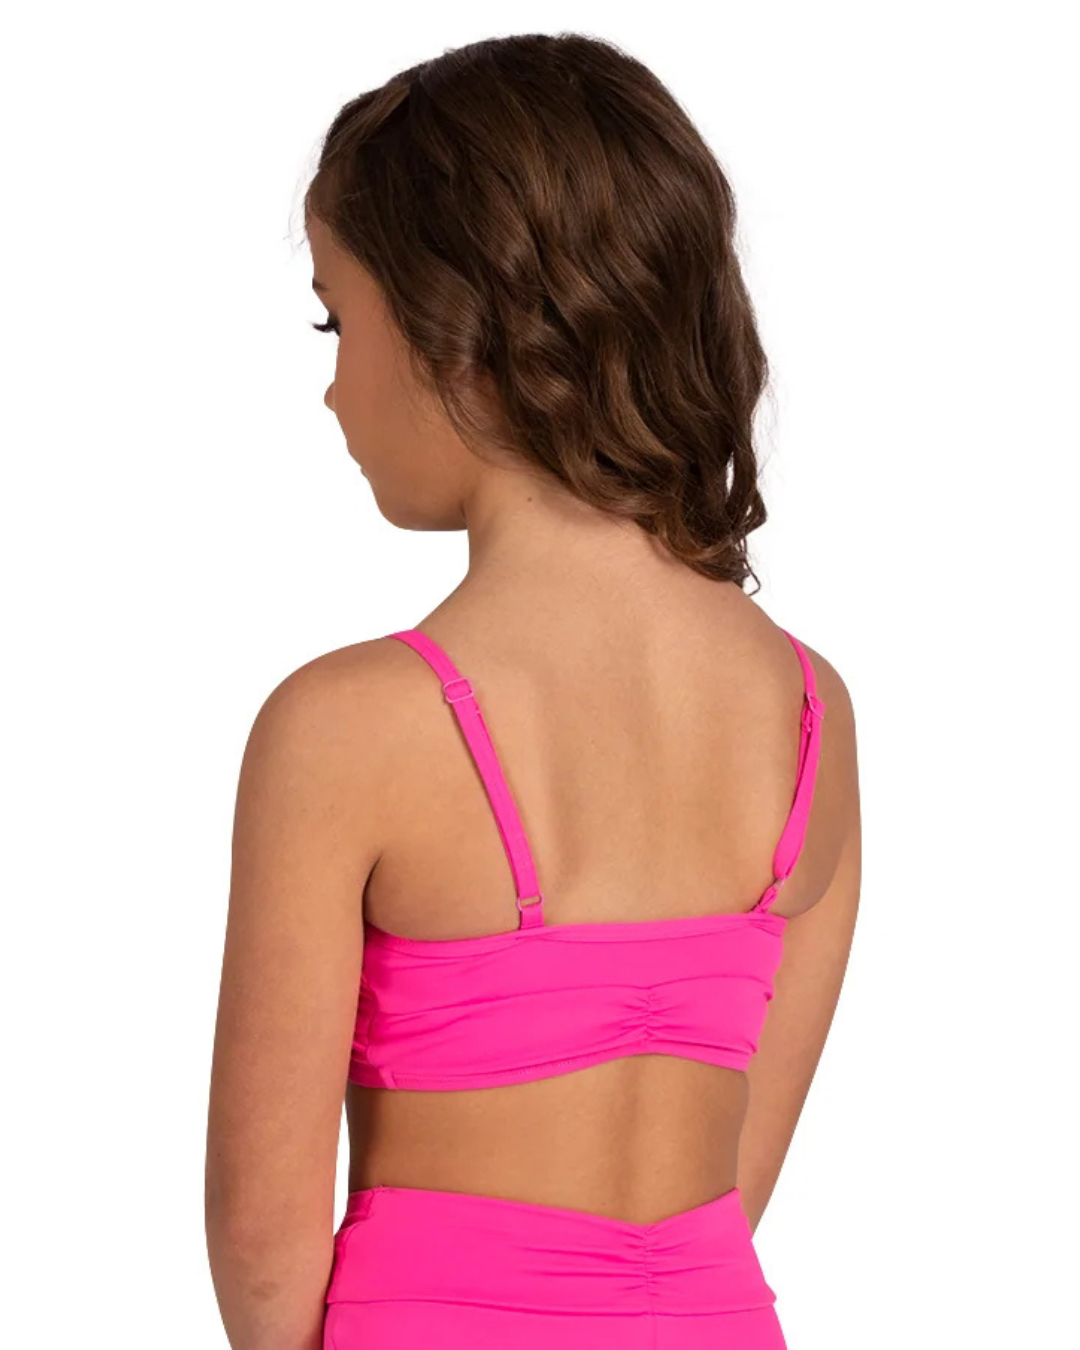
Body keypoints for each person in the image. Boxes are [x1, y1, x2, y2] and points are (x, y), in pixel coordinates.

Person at [205, 32, 861, 1350]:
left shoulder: (347, 727)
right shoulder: (808, 712)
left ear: (462, 331)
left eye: (339, 321)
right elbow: (729, 1192)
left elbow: (264, 1239)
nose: (330, 388)